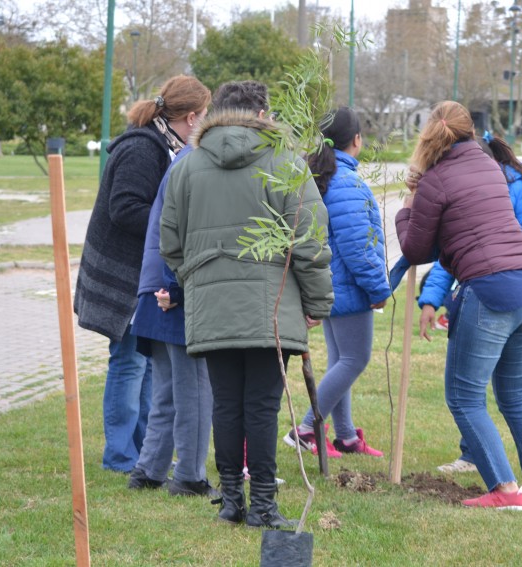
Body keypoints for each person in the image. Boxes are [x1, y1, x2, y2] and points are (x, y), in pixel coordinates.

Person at [160, 80, 334, 527]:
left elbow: (170, 244)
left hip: (213, 308)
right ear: (262, 115)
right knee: (261, 406)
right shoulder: (286, 163)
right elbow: (309, 240)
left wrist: (198, 282)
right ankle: (262, 505)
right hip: (269, 309)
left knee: (225, 403)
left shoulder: (185, 165)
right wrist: (317, 303)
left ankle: (232, 501)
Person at [396, 101, 522, 511]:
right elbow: (457, 237)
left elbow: (416, 248)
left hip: (491, 291)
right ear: (471, 132)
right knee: (513, 394)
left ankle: (505, 491)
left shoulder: (434, 180)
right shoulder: (490, 167)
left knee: (465, 397)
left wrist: (406, 210)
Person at [422, 133, 522, 490]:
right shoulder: (480, 188)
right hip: (507, 297)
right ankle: (492, 464)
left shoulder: (519, 191)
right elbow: (456, 250)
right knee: (493, 388)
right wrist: (431, 298)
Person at [74, 75, 211, 473]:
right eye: (203, 118)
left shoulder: (164, 144)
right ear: (189, 117)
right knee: (129, 362)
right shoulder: (142, 148)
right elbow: (124, 208)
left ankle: (145, 451)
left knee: (148, 362)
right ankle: (121, 456)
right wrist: (171, 225)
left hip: (142, 274)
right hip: (123, 277)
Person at [127, 80, 219, 498]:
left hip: (154, 291)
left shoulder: (179, 159)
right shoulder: (193, 163)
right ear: (196, 117)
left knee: (166, 390)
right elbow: (177, 235)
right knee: (195, 391)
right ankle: (190, 476)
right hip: (171, 293)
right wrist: (174, 288)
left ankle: (148, 469)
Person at [284, 107, 390, 459]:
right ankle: (304, 430)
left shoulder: (322, 175)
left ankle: (345, 436)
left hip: (331, 286)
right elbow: (359, 248)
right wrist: (378, 289)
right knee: (354, 360)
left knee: (340, 359)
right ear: (357, 140)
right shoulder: (347, 183)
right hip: (348, 288)